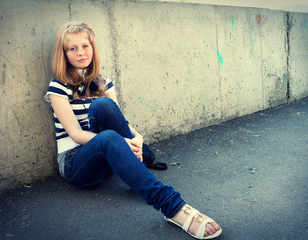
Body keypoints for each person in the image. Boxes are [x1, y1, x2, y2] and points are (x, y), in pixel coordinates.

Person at [44, 21, 222, 239]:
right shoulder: (58, 86)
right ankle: (172, 208)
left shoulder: (103, 83)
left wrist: (137, 137)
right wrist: (116, 140)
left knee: (104, 106)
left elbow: (119, 120)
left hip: (107, 158)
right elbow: (76, 134)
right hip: (76, 163)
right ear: (64, 54)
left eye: (85, 46)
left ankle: (137, 171)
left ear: (93, 48)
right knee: (108, 137)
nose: (81, 53)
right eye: (73, 48)